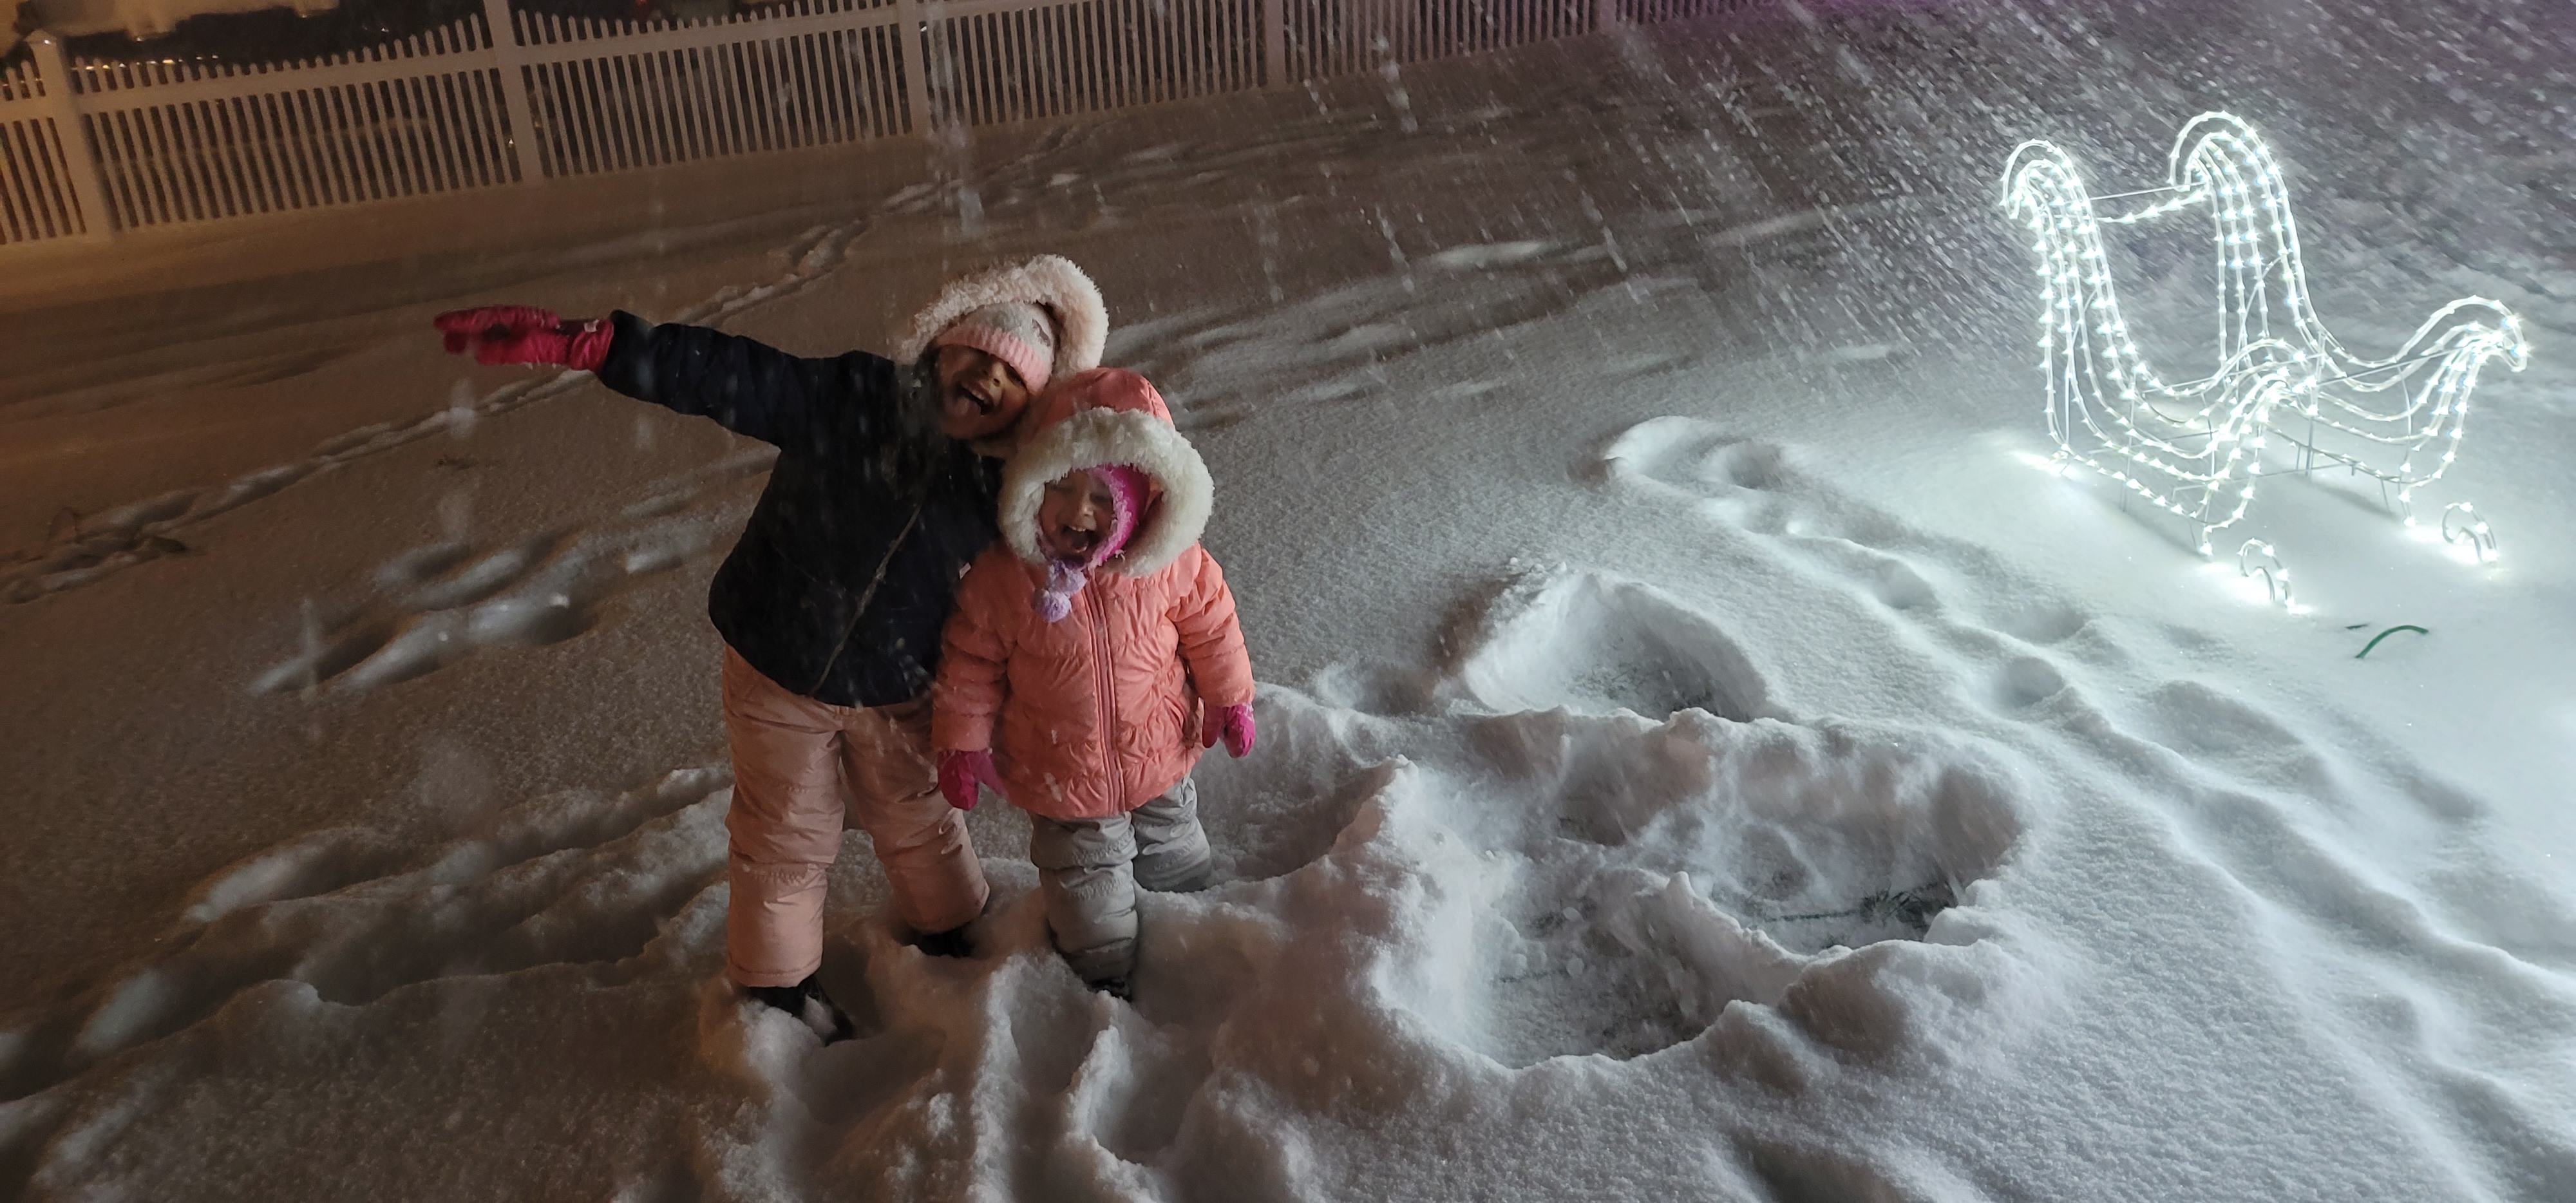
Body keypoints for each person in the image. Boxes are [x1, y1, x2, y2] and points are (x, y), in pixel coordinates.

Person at [433, 256, 1108, 1041]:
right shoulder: (852, 398)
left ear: (1030, 409)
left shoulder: (1006, 491)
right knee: (786, 832)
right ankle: (775, 988)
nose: (989, 376)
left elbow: (1050, 580)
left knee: (919, 816)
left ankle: (953, 928)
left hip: (899, 682)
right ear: (939, 346)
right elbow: (734, 374)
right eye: (978, 353)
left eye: (1014, 376)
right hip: (777, 663)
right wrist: (601, 346)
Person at [929, 368, 1255, 998]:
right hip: (1061, 771)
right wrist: (961, 739)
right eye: (1063, 487)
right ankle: (1103, 976)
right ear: (1032, 486)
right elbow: (968, 660)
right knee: (1083, 883)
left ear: (1141, 506)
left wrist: (1229, 695)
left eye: (1104, 497)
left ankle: (1192, 925)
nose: (1079, 511)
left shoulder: (1170, 564)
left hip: (1158, 748)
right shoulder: (1004, 579)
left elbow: (1213, 626)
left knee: (1177, 851)